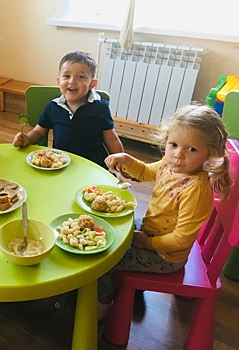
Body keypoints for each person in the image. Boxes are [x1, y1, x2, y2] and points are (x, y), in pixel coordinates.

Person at [98, 105, 232, 319]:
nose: (178, 155)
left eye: (191, 149)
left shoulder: (196, 190)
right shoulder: (168, 166)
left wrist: (146, 243)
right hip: (152, 231)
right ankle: (118, 284)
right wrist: (125, 158)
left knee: (104, 260)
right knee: (111, 226)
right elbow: (144, 172)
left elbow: (180, 240)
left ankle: (102, 305)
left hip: (166, 257)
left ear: (210, 153)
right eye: (174, 145)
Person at [12, 50, 124, 169]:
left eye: (80, 77)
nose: (72, 81)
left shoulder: (99, 108)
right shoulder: (53, 107)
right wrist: (28, 139)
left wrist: (121, 161)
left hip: (92, 168)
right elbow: (39, 132)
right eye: (66, 76)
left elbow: (112, 141)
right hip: (61, 166)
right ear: (59, 81)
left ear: (92, 84)